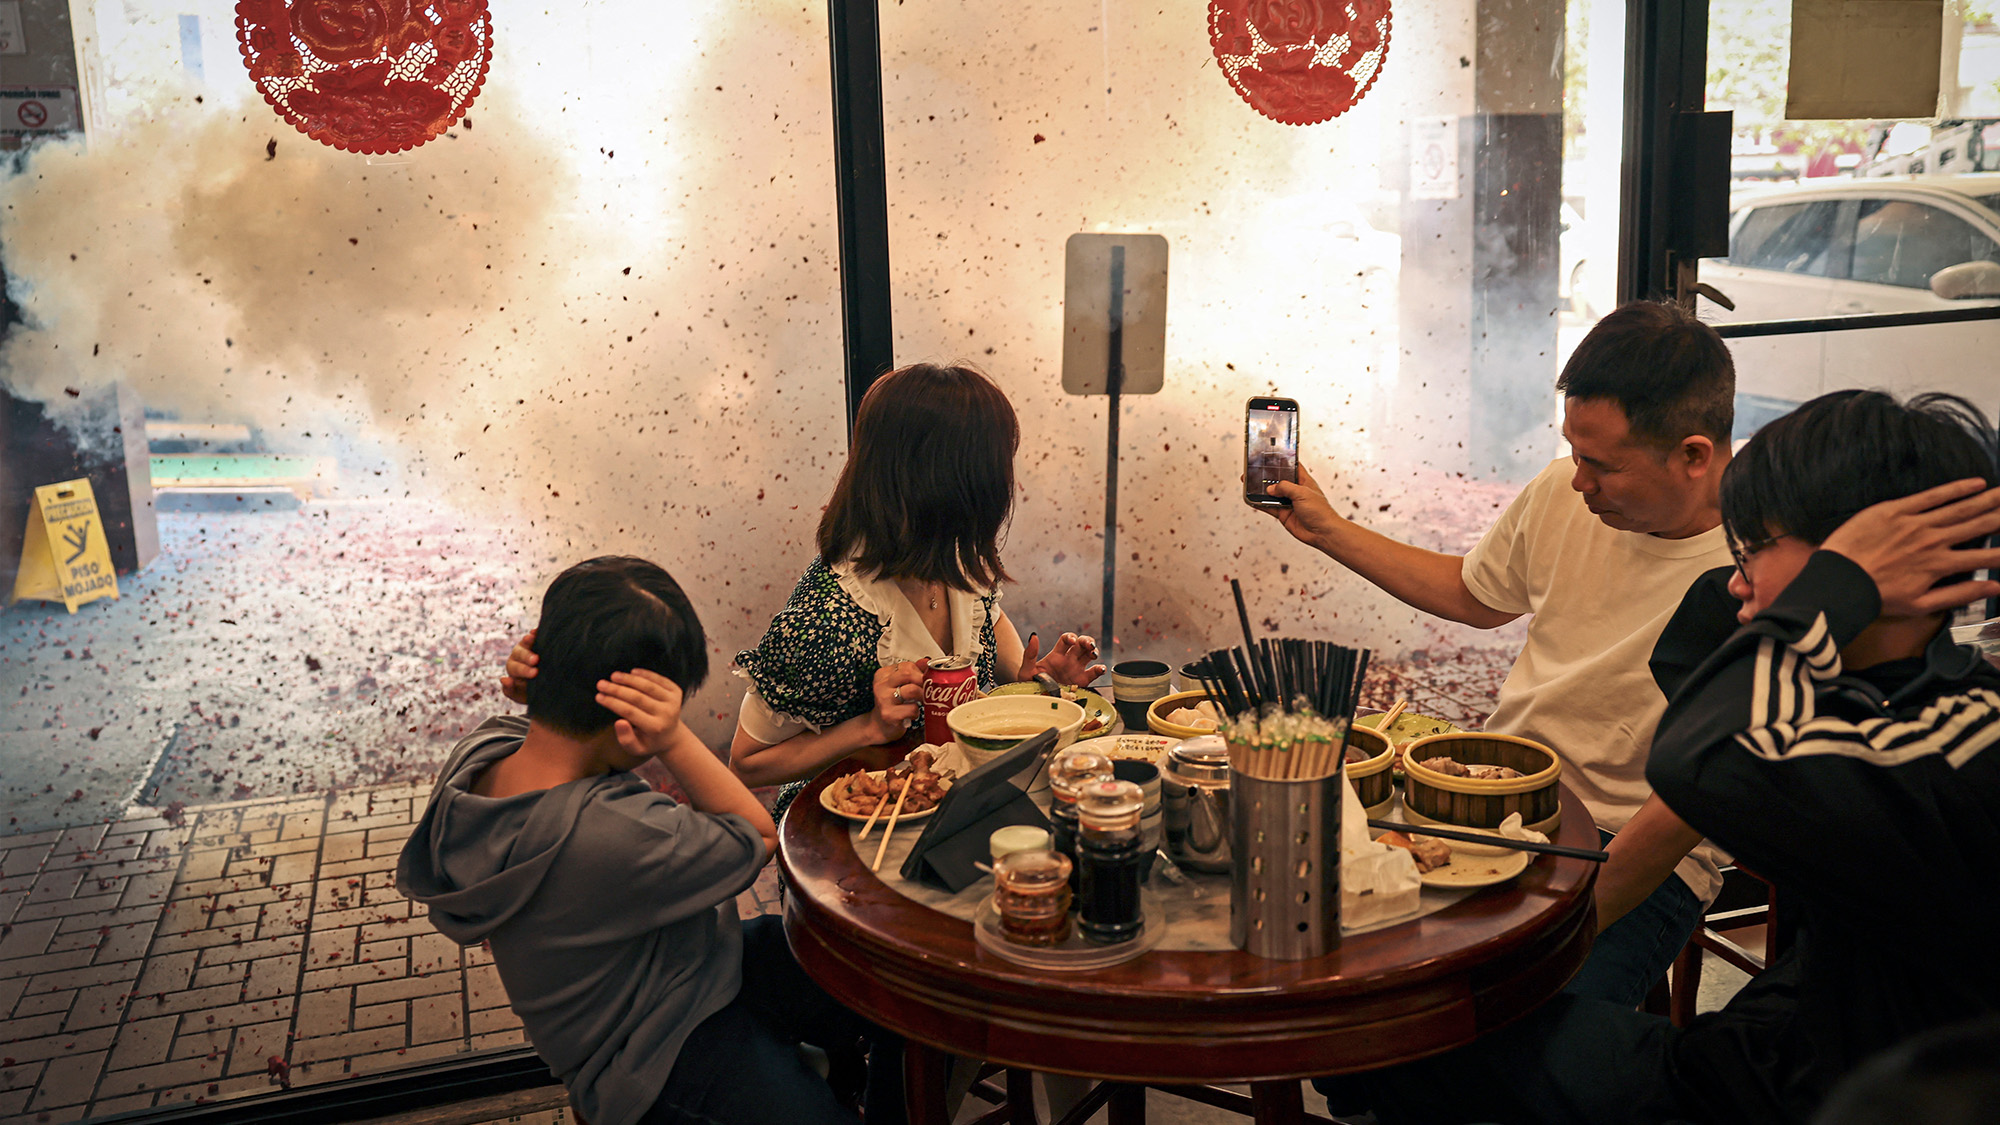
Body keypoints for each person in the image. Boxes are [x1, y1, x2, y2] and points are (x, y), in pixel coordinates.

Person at [1320, 389, 2000, 1125]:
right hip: (1771, 1043)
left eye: (1757, 549)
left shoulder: (1957, 741)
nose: (1738, 579)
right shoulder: (1888, 687)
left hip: (1824, 1095)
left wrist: (1832, 584)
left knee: (1398, 1052)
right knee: (1379, 1049)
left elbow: (1694, 757)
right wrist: (1817, 581)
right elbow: (1703, 634)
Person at [1264, 300, 1736, 1005]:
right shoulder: (1561, 492)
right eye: (1574, 452)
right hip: (1494, 793)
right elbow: (1473, 595)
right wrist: (1330, 530)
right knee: (1343, 968)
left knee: (1521, 1024)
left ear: (1694, 455)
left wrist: (1561, 928)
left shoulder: (1759, 564)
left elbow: (1695, 805)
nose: (1579, 480)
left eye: (1601, 464)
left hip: (1641, 844)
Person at [397, 557, 901, 1125]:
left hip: (688, 970)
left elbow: (536, 726)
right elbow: (758, 838)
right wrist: (674, 740)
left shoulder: (481, 753)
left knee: (878, 969)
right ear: (629, 721)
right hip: (656, 1056)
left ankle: (841, 1077)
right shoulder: (614, 833)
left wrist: (540, 692)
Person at [724, 362, 1103, 799]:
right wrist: (867, 728)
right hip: (850, 827)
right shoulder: (828, 615)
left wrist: (1036, 681)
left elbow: (1003, 658)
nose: (1004, 486)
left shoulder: (957, 563)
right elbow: (746, 764)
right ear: (943, 485)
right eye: (992, 468)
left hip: (956, 806)